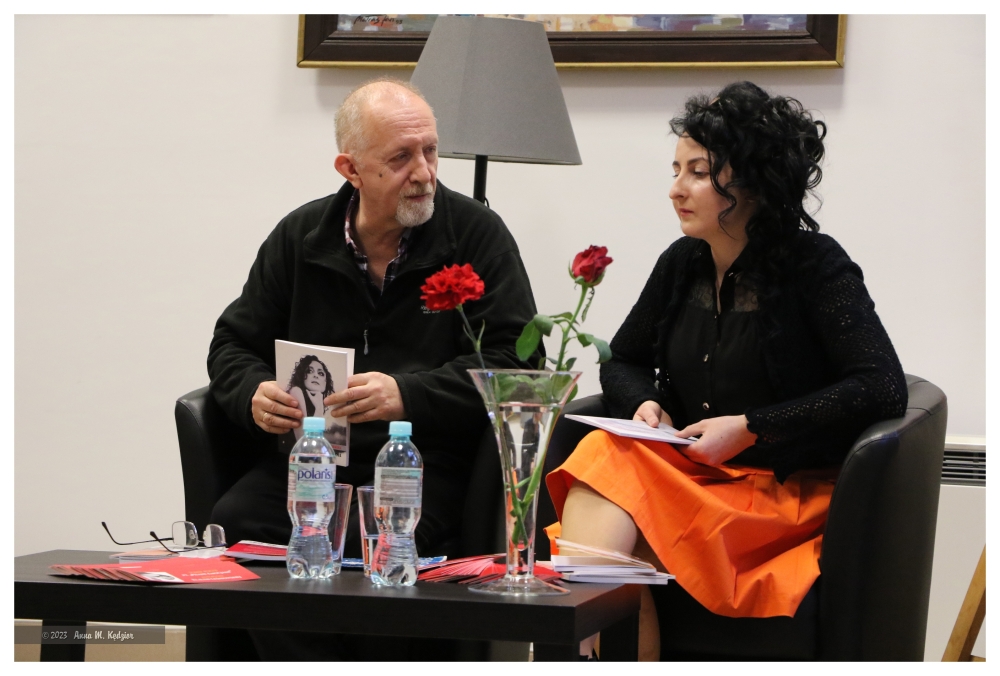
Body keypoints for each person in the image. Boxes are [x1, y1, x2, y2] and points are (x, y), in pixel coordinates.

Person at [545, 81, 908, 660]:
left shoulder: (815, 265)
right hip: (696, 479)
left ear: (754, 183)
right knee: (605, 453)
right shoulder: (682, 262)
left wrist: (751, 427)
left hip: (779, 495)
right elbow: (623, 358)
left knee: (611, 508)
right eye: (676, 170)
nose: (675, 189)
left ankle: (580, 642)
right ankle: (588, 638)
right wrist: (643, 403)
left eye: (698, 172)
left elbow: (881, 386)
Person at [206, 77, 538, 660]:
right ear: (351, 169)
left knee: (388, 541)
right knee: (237, 519)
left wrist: (409, 394)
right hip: (313, 462)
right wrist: (253, 392)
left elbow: (518, 361)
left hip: (425, 463)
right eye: (401, 158)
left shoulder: (476, 234)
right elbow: (232, 342)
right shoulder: (300, 237)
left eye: (431, 151)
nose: (425, 172)